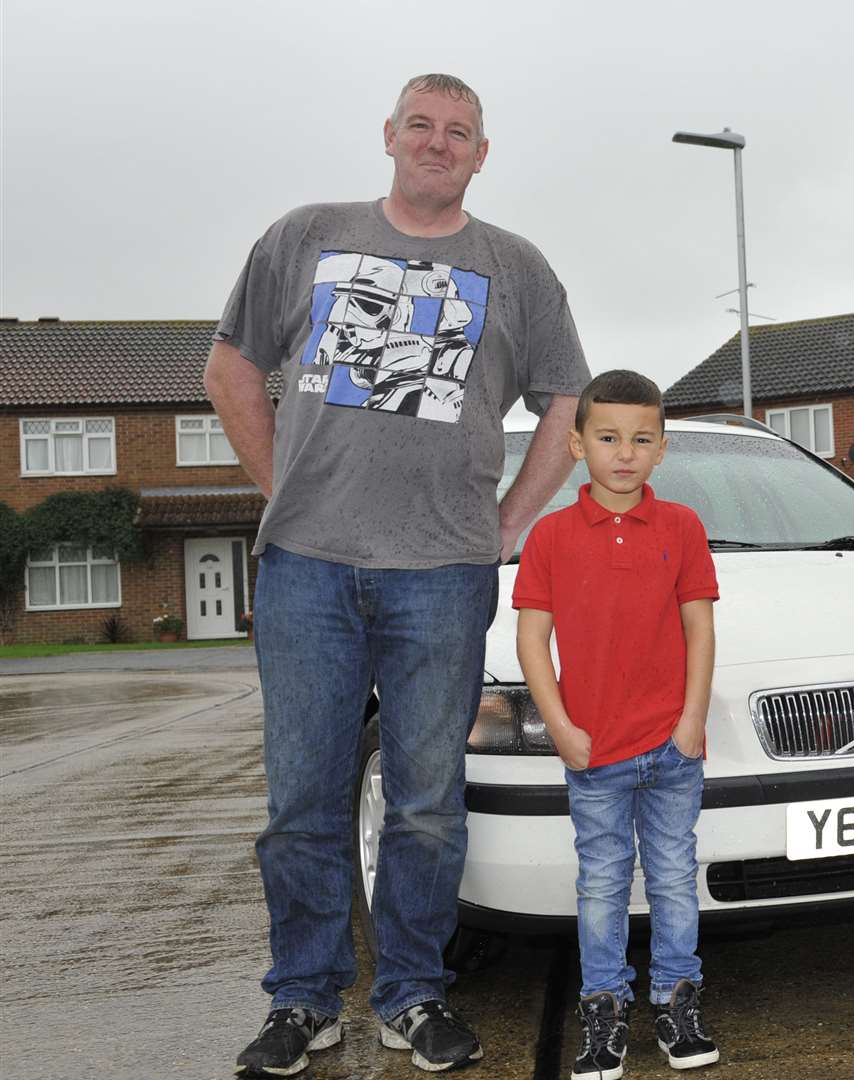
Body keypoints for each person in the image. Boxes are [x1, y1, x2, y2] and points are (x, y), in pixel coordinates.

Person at [209, 73, 590, 1077]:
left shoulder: (516, 268)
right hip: (308, 572)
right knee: (303, 799)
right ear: (389, 135)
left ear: (481, 153)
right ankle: (304, 1002)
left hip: (444, 577)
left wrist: (511, 522)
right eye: (421, 125)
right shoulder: (305, 236)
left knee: (427, 803)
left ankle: (413, 997)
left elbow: (568, 399)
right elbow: (228, 369)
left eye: (459, 131)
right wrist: (278, 485)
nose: (438, 141)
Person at [514, 370, 722, 1075]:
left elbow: (699, 630)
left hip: (671, 748)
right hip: (593, 751)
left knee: (671, 879)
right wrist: (560, 728)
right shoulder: (549, 538)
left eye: (641, 439)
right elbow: (530, 641)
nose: (624, 453)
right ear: (577, 444)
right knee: (601, 885)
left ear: (662, 448)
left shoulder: (683, 528)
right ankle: (602, 1015)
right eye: (607, 438)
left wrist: (691, 720)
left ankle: (677, 1002)